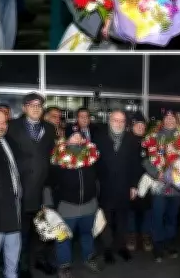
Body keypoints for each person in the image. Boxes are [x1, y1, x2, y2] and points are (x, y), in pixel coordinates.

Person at [6, 93, 57, 277]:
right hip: (22, 189)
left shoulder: (50, 128)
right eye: (31, 105)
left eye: (39, 105)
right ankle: (23, 266)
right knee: (23, 232)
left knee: (45, 230)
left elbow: (51, 155)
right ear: (24, 108)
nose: (36, 108)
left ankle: (41, 260)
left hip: (44, 189)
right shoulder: (11, 127)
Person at [46, 131, 102, 277]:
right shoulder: (58, 157)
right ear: (67, 139)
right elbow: (49, 183)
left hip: (89, 205)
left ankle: (89, 257)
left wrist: (97, 199)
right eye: (74, 135)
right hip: (67, 206)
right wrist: (48, 204)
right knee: (63, 237)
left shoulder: (91, 156)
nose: (78, 138)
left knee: (87, 234)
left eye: (80, 136)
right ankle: (64, 265)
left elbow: (98, 180)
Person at [92, 110, 143, 264]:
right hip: (105, 186)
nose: (119, 123)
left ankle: (121, 246)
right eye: (116, 120)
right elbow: (94, 163)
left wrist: (134, 186)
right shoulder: (99, 138)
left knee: (122, 218)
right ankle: (107, 249)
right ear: (109, 121)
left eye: (122, 121)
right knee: (106, 220)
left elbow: (136, 164)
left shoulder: (131, 139)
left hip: (124, 185)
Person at [143, 111, 180, 262]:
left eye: (172, 118)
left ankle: (169, 243)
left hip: (176, 185)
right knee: (157, 216)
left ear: (177, 120)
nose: (169, 120)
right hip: (159, 184)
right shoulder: (153, 136)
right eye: (167, 118)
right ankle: (157, 246)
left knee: (172, 216)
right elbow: (145, 159)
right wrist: (156, 174)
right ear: (163, 120)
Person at [0, 109, 22, 278]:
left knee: (13, 254)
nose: (1, 126)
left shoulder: (8, 142)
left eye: (4, 122)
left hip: (13, 209)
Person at [127, 114, 153, 253]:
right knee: (130, 211)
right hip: (131, 183)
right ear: (132, 126)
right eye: (138, 125)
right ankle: (131, 236)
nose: (141, 127)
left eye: (143, 125)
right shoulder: (126, 142)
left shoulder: (149, 142)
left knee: (147, 210)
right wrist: (132, 185)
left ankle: (145, 235)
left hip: (148, 182)